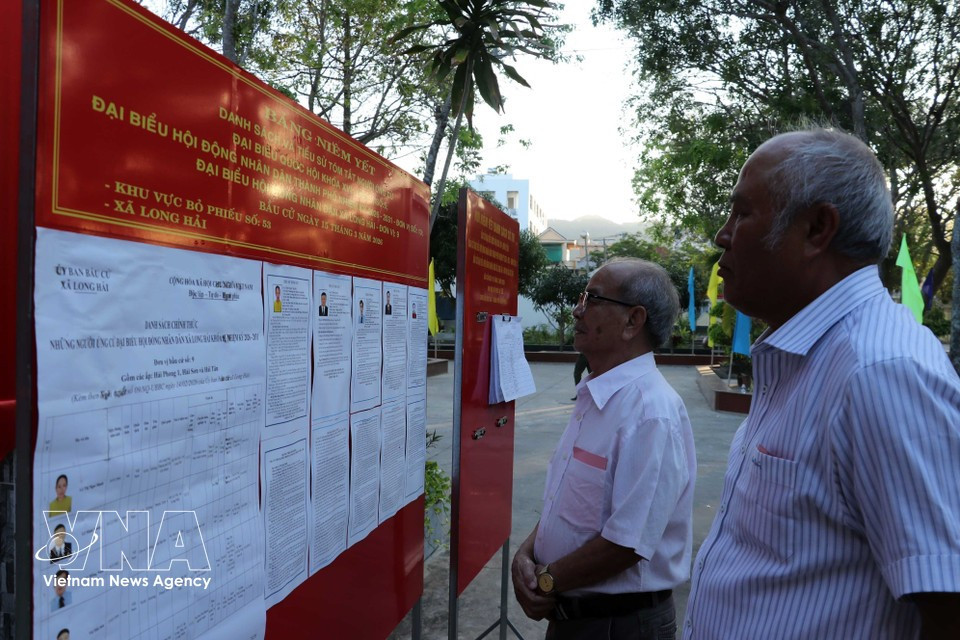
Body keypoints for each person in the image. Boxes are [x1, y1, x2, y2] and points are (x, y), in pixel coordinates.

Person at [683, 128, 960, 639]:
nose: (722, 235)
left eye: (742, 213)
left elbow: (949, 607)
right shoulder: (802, 357)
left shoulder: (880, 371)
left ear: (817, 229)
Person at [511, 258, 696, 640]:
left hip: (619, 625)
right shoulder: (596, 397)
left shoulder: (650, 413)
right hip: (574, 614)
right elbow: (566, 503)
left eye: (592, 298)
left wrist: (544, 581)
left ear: (633, 321)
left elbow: (626, 543)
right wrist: (527, 555)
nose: (577, 309)